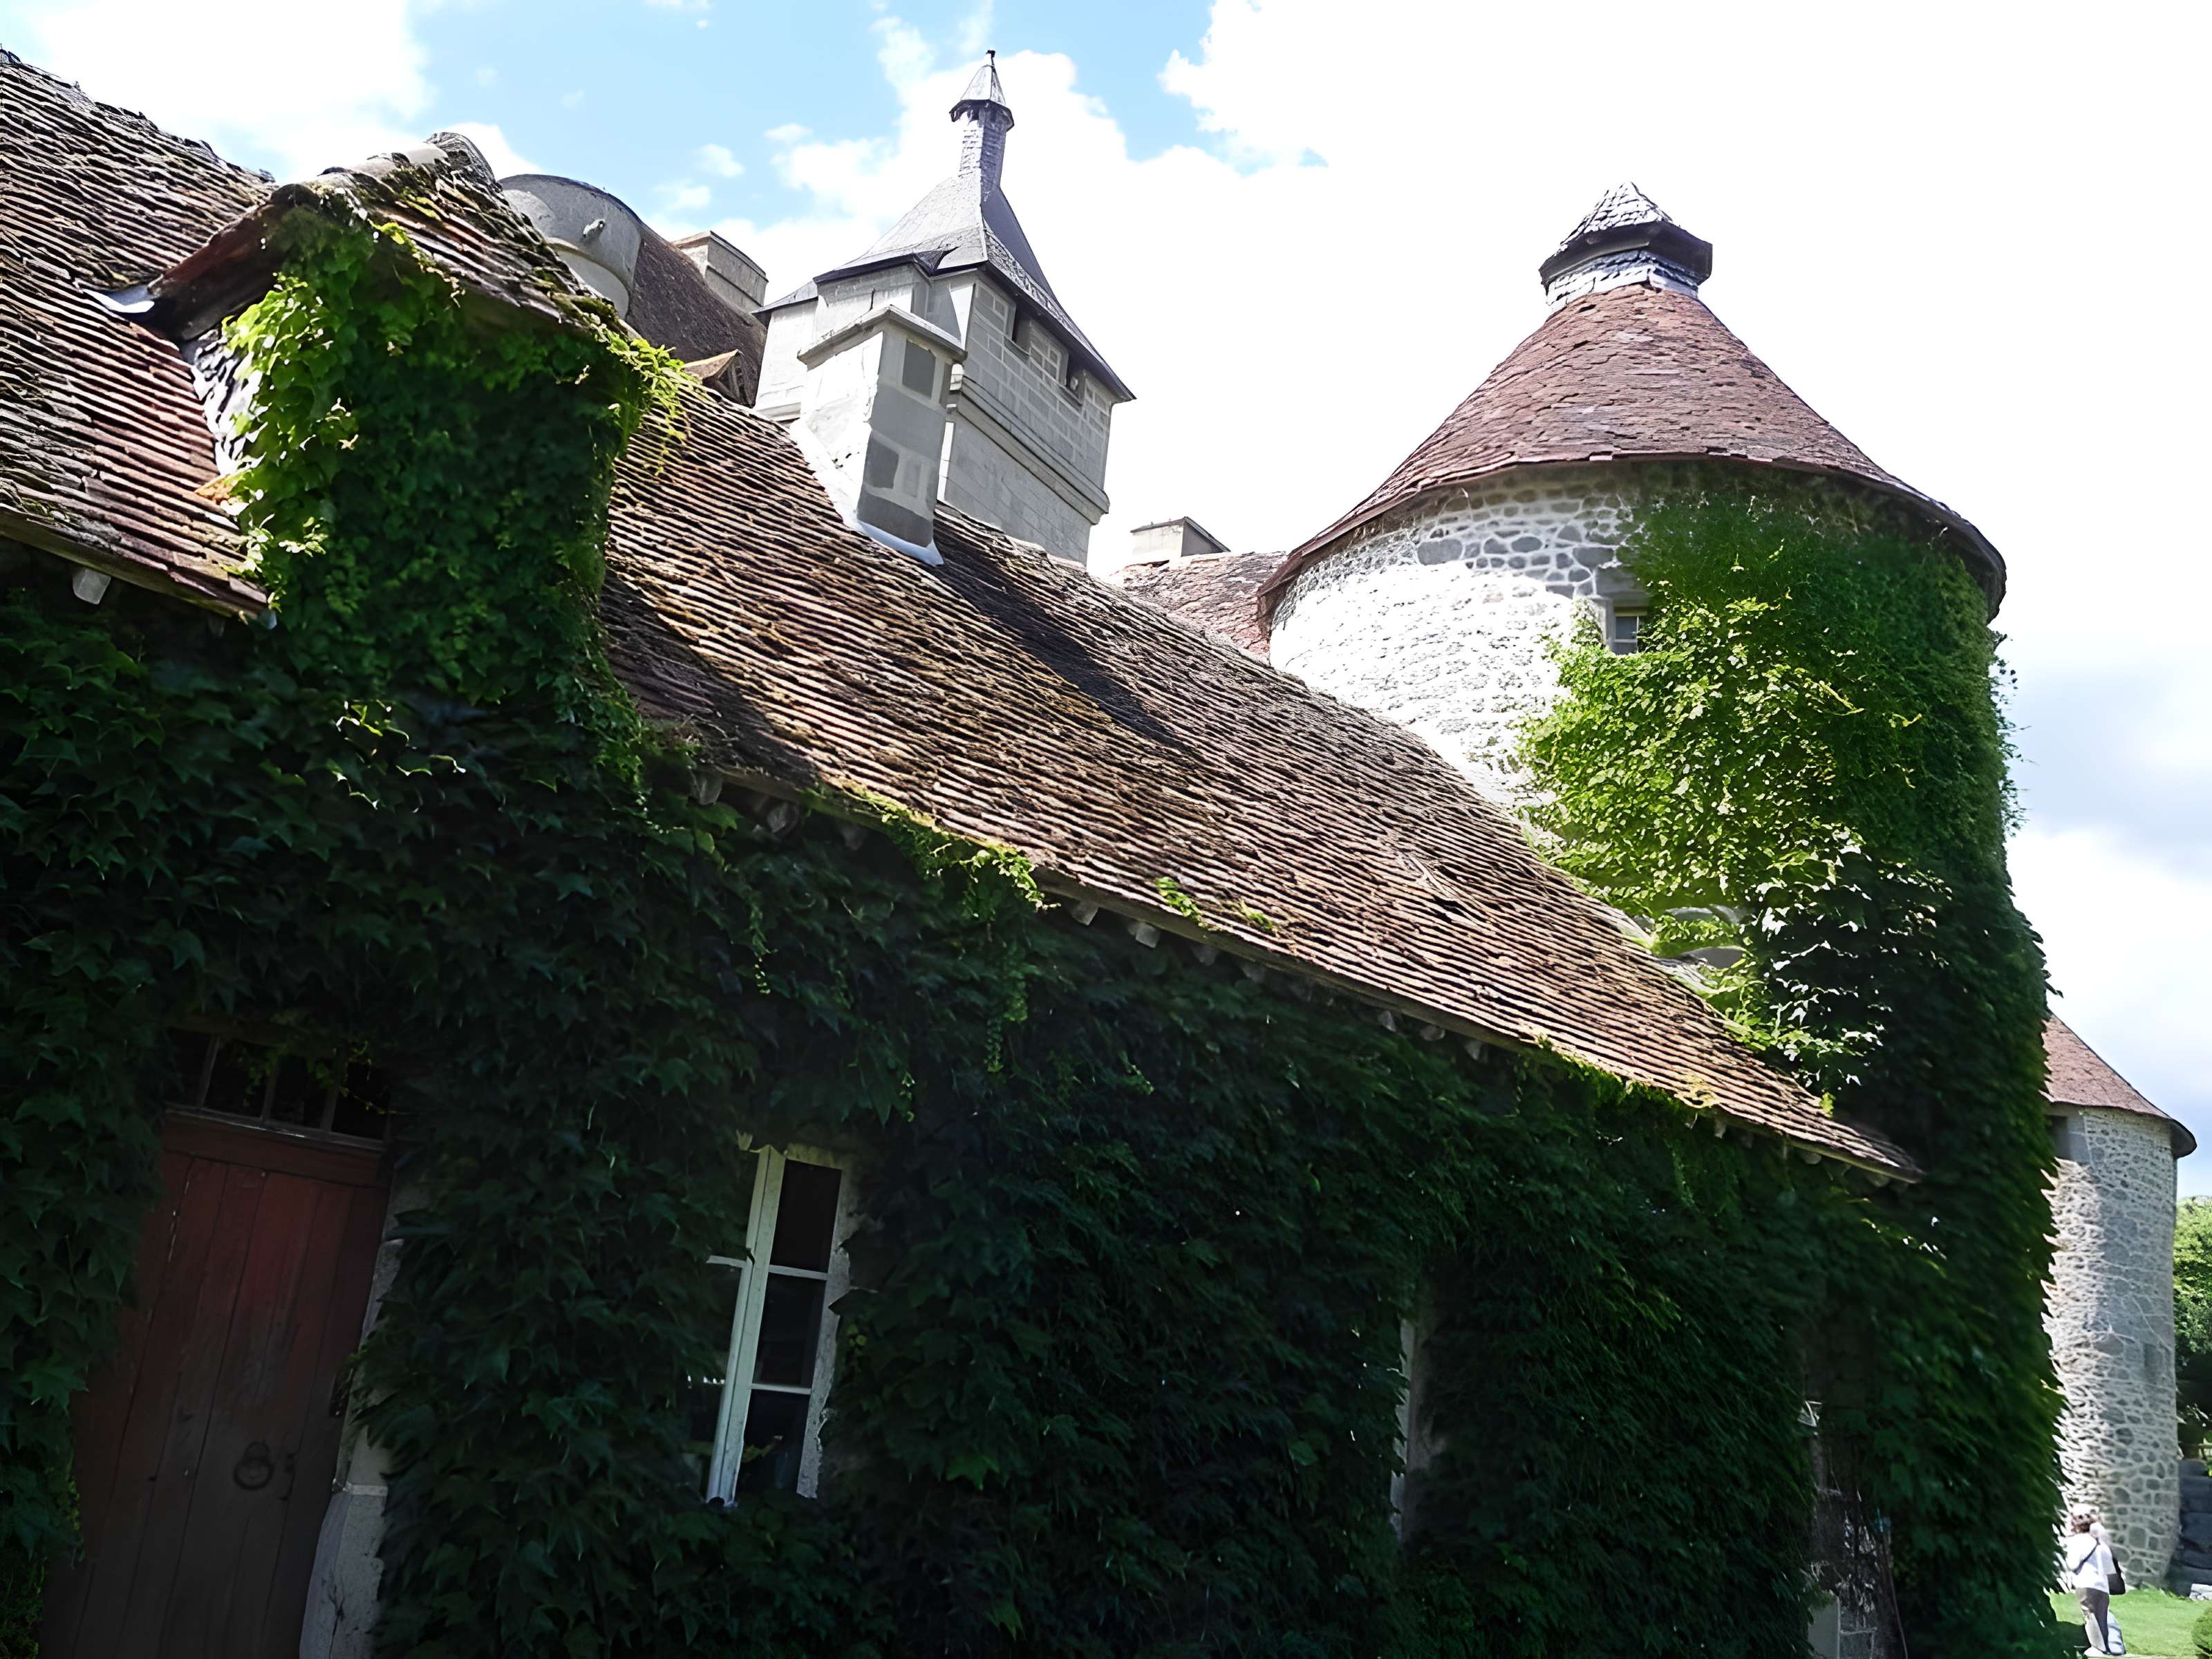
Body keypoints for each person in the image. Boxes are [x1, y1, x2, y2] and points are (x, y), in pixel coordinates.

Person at [2065, 1512, 2121, 1654]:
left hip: (2086, 1582)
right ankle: (2107, 1648)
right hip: (2102, 1586)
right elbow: (2110, 1569)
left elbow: (2072, 1563)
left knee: (2089, 1615)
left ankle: (2097, 1648)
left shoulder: (2078, 1540)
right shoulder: (2101, 1544)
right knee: (2102, 1616)